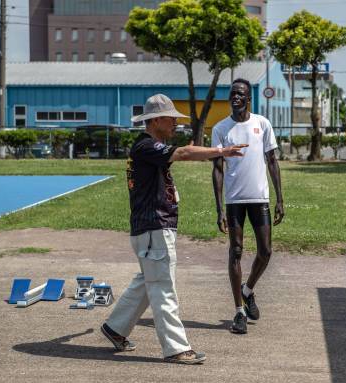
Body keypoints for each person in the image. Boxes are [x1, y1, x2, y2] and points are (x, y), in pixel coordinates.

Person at [101, 94, 247, 364]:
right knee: (163, 289)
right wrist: (221, 151)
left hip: (151, 229)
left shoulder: (148, 147)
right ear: (155, 120)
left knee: (147, 283)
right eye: (171, 119)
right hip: (153, 228)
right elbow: (182, 152)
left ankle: (115, 328)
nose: (175, 124)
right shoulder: (146, 147)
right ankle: (177, 348)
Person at [212, 78, 284, 335]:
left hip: (259, 199)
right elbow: (217, 169)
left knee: (266, 252)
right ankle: (239, 311)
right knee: (236, 252)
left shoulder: (262, 124)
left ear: (248, 99)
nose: (236, 97)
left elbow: (272, 161)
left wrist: (280, 199)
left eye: (240, 94)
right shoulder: (221, 129)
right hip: (234, 202)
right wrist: (219, 208)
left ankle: (247, 290)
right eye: (232, 94)